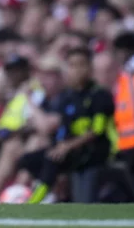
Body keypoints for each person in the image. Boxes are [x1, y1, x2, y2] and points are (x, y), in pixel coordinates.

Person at [16, 47, 117, 204]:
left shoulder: (100, 95)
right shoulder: (67, 97)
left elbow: (97, 130)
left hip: (94, 151)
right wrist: (60, 145)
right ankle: (51, 190)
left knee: (52, 160)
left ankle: (34, 202)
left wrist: (67, 146)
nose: (76, 70)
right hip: (72, 151)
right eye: (71, 65)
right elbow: (63, 128)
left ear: (90, 69)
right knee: (27, 160)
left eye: (80, 65)